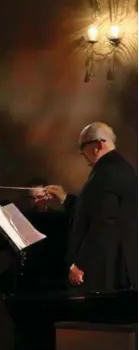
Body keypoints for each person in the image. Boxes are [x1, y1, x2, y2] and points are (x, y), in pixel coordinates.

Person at [47, 122, 137, 291]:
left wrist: (82, 264)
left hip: (109, 270)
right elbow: (94, 210)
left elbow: (103, 222)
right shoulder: (118, 167)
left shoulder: (107, 172)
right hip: (115, 265)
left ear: (98, 145)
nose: (82, 153)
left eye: (83, 147)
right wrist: (65, 199)